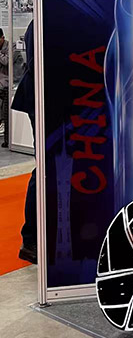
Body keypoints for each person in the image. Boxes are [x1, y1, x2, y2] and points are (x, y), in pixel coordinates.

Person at [12, 21, 36, 263]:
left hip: (60, 102)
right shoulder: (42, 20)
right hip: (43, 100)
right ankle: (30, 240)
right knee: (46, 170)